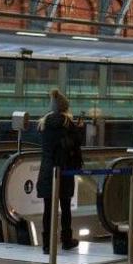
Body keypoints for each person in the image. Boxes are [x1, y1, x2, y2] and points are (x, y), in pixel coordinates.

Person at [38, 89, 83, 251]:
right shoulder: (67, 124)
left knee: (48, 209)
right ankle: (66, 239)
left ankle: (47, 244)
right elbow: (76, 144)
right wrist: (79, 129)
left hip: (46, 171)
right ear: (65, 107)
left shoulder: (43, 123)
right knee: (65, 207)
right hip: (64, 171)